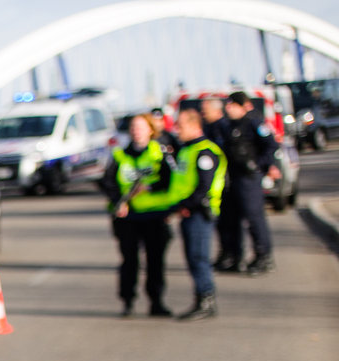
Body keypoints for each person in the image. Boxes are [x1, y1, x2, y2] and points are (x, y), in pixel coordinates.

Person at [98, 114, 173, 317]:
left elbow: (171, 181)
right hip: (127, 218)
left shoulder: (161, 153)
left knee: (155, 262)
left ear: (150, 129)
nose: (136, 131)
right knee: (129, 261)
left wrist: (150, 187)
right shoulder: (120, 155)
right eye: (133, 127)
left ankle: (156, 301)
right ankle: (128, 301)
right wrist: (117, 203)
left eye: (141, 127)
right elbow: (107, 182)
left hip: (154, 216)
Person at [156, 107, 227, 321]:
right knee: (193, 258)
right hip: (187, 212)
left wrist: (184, 206)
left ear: (195, 126)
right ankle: (201, 298)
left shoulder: (205, 151)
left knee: (199, 258)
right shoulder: (187, 150)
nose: (177, 130)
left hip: (199, 212)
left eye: (181, 126)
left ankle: (206, 301)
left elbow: (203, 187)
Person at [216, 90, 278, 275]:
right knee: (231, 218)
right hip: (233, 177)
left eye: (231, 105)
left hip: (248, 178)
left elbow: (271, 145)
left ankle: (263, 256)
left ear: (242, 106)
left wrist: (259, 166)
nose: (228, 109)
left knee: (254, 217)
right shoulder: (229, 124)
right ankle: (235, 256)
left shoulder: (254, 122)